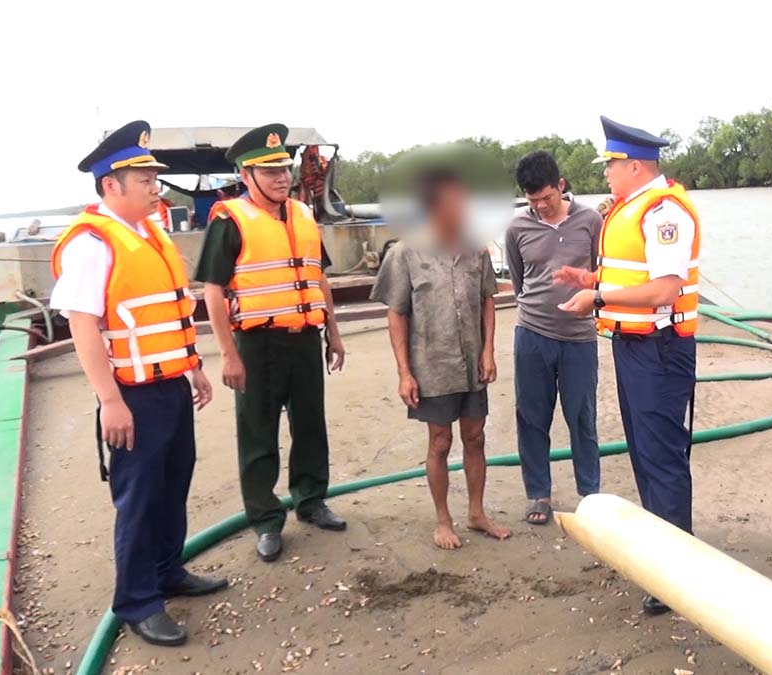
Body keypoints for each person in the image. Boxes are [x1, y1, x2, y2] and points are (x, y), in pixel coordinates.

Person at [49, 120, 227, 647]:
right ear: (111, 185)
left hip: (170, 383)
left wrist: (190, 364)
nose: (156, 186)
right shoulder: (92, 244)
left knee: (174, 484)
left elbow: (163, 314)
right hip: (133, 396)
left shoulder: (149, 232)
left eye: (155, 178)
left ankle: (169, 571)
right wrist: (110, 401)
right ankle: (137, 601)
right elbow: (82, 325)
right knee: (140, 498)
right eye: (145, 178)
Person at [557, 117, 701, 615]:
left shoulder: (664, 212)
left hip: (659, 349)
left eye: (612, 166)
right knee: (644, 450)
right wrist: (591, 276)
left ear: (635, 166)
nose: (607, 175)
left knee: (661, 455)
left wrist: (596, 295)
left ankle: (677, 573)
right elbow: (633, 272)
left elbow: (664, 289)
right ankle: (664, 558)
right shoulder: (632, 207)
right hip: (634, 345)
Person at [194, 124, 347, 563]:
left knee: (310, 426)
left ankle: (311, 499)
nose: (282, 177)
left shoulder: (302, 214)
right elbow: (213, 291)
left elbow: (318, 275)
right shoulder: (230, 219)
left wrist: (333, 333)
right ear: (247, 175)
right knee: (258, 434)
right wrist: (227, 354)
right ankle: (265, 520)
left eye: (285, 167)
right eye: (270, 170)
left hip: (304, 340)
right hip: (256, 344)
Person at [372, 162, 511, 550]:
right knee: (439, 442)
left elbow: (487, 300)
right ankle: (442, 519)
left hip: (471, 362)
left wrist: (487, 351)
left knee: (476, 437)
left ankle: (477, 513)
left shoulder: (475, 249)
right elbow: (396, 313)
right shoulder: (405, 252)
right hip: (431, 365)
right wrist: (404, 372)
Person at [505, 150, 603, 525]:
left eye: (547, 197)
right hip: (532, 334)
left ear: (561, 186)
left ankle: (589, 494)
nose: (541, 206)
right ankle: (539, 494)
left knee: (582, 416)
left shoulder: (590, 221)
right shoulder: (516, 228)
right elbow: (519, 281)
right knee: (531, 415)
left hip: (579, 337)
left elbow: (601, 275)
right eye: (533, 201)